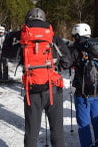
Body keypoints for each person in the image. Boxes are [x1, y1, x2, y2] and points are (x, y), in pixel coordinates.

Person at [19, 8, 71, 147]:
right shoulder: (53, 37)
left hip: (32, 89)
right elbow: (67, 61)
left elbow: (11, 55)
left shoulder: (23, 36)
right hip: (53, 89)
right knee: (57, 131)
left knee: (31, 133)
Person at [68, 23, 98, 147]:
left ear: (77, 35)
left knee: (84, 124)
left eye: (74, 36)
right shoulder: (97, 46)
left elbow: (66, 63)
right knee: (96, 121)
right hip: (97, 91)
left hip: (82, 93)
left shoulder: (76, 49)